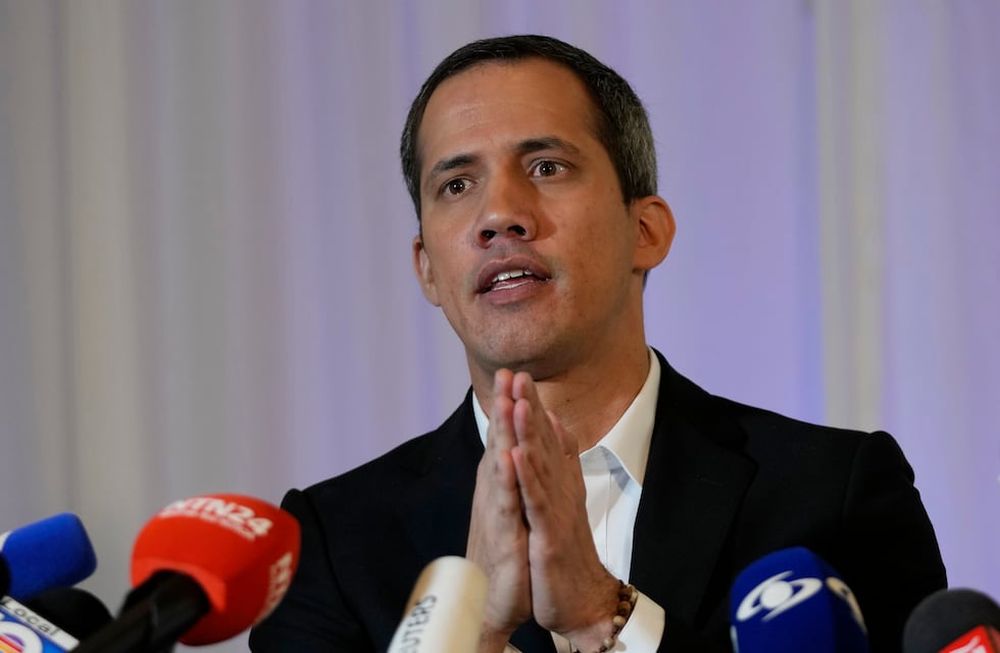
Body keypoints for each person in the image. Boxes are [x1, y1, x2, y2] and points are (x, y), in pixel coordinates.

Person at [249, 34, 945, 652]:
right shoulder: (333, 544)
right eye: (457, 184)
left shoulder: (832, 495)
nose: (498, 215)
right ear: (427, 266)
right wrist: (474, 632)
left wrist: (600, 615)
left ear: (646, 231)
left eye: (547, 166)